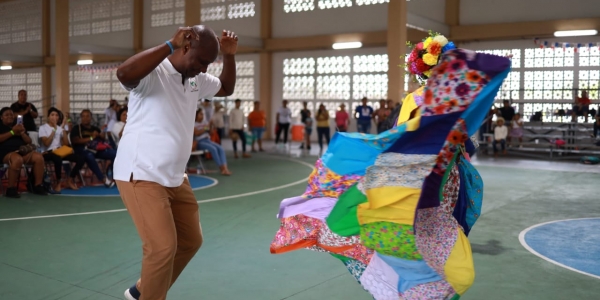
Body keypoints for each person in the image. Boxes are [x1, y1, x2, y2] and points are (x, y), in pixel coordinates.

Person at [269, 34, 512, 299]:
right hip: (416, 180)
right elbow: (410, 140)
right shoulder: (429, 102)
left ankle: (412, 284)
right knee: (421, 245)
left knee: (422, 242)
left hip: (428, 182)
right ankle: (411, 286)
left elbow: (444, 139)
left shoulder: (441, 103)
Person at [114, 25, 238, 300]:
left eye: (208, 63)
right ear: (185, 48)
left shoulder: (195, 78)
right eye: (201, 61)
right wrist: (168, 43)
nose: (204, 68)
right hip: (141, 173)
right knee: (161, 248)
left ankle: (142, 291)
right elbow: (123, 73)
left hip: (174, 176)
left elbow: (226, 87)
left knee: (191, 240)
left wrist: (228, 56)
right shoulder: (153, 73)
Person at [0, 107, 47, 197]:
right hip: (5, 153)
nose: (10, 116)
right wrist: (13, 132)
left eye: (11, 114)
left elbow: (28, 141)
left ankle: (37, 186)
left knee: (38, 157)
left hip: (21, 152)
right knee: (17, 159)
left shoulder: (18, 125)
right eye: (6, 115)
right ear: (1, 117)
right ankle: (11, 189)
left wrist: (22, 132)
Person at [39, 107, 84, 193]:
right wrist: (54, 130)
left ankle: (70, 180)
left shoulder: (60, 128)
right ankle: (58, 182)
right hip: (48, 152)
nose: (54, 117)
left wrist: (63, 129)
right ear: (48, 117)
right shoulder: (43, 128)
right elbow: (46, 143)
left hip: (60, 151)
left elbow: (66, 144)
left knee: (80, 158)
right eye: (52, 115)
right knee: (57, 159)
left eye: (56, 115)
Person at [70, 109, 116, 188]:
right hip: (82, 150)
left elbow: (103, 140)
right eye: (83, 116)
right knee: (89, 156)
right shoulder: (77, 128)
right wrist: (91, 137)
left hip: (96, 150)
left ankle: (116, 177)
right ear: (80, 117)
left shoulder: (95, 128)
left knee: (114, 154)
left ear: (91, 118)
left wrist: (102, 133)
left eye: (87, 116)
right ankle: (103, 179)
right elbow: (76, 141)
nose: (85, 118)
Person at [194, 109, 231, 175]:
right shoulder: (194, 124)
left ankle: (225, 168)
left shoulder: (205, 122)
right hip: (199, 142)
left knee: (220, 148)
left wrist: (210, 125)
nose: (202, 116)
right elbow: (197, 133)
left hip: (207, 140)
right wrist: (206, 127)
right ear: (196, 115)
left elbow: (210, 132)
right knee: (213, 149)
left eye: (202, 114)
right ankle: (221, 168)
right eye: (200, 114)